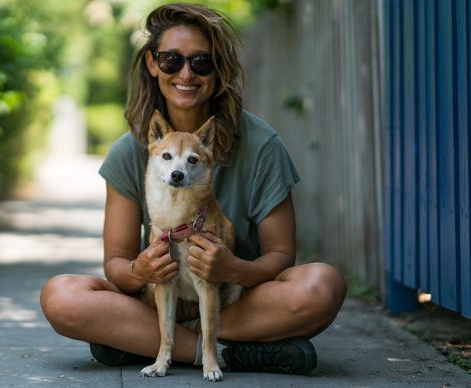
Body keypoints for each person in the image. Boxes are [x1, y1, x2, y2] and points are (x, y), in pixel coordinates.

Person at [40, 2, 346, 375]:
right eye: (171, 60)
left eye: (201, 61)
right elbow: (116, 265)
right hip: (158, 300)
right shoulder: (131, 150)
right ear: (153, 65)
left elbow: (281, 255)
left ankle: (139, 341)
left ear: (218, 69)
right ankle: (229, 353)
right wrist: (141, 269)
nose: (186, 73)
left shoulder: (261, 145)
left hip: (234, 302)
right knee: (60, 297)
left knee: (322, 286)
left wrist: (234, 269)